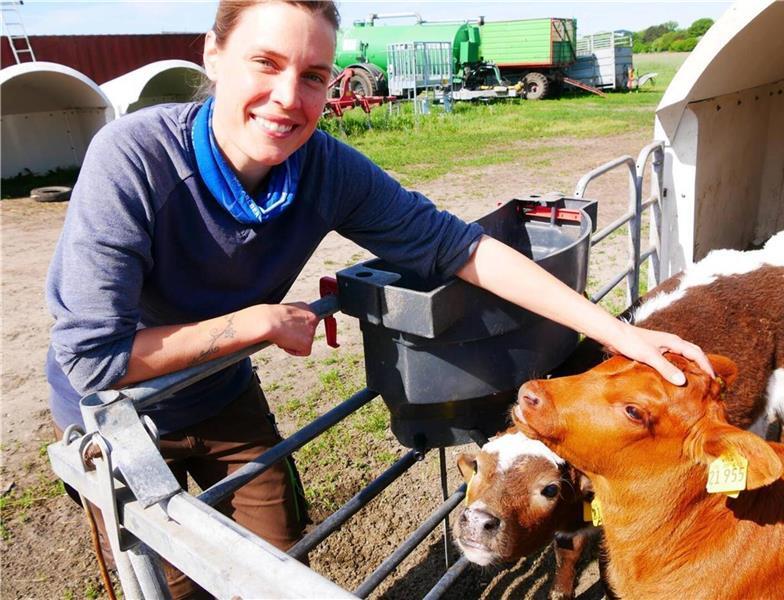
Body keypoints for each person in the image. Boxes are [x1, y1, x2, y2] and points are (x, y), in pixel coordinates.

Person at [45, 0, 712, 597]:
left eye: (313, 76)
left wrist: (620, 335)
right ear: (214, 56)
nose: (288, 97)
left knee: (278, 555)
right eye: (265, 63)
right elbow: (92, 358)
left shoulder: (321, 167)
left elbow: (458, 246)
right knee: (169, 577)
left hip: (222, 393)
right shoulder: (134, 159)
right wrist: (254, 324)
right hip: (117, 417)